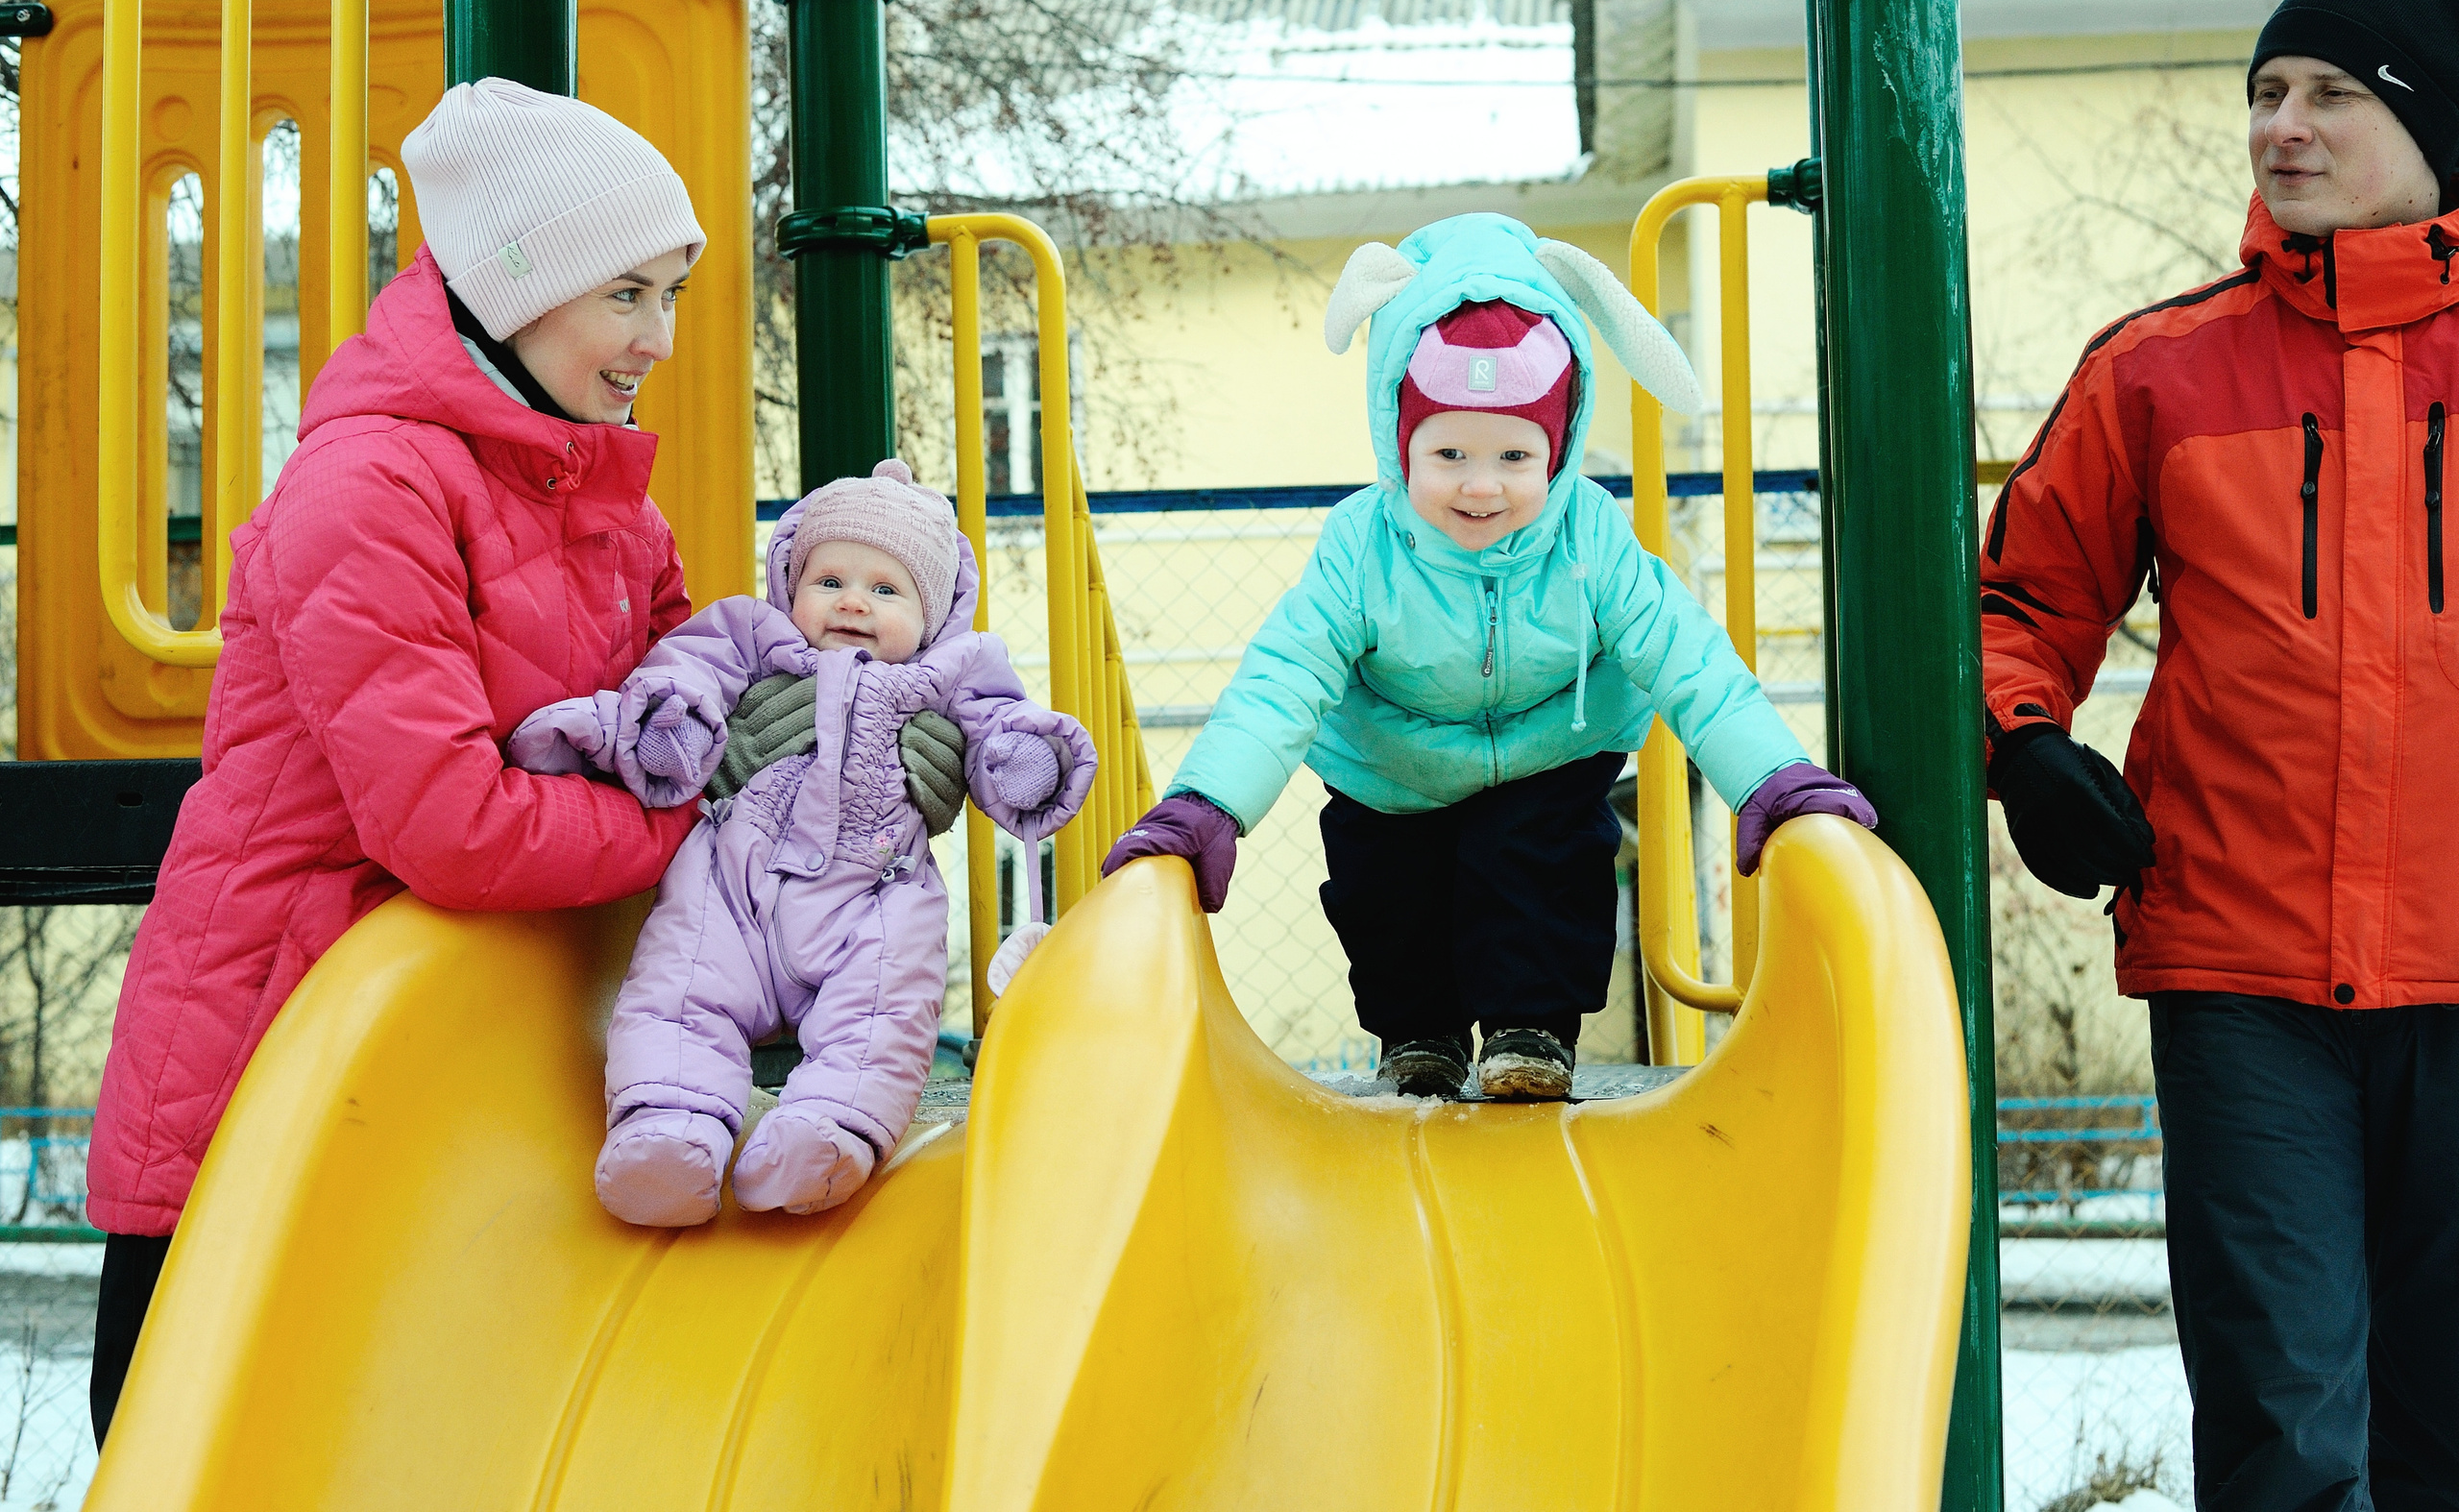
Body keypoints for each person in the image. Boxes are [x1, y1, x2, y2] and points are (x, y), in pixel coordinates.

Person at [78, 81, 972, 1446]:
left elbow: (705, 710)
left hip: (475, 1038)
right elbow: (446, 818)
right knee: (201, 1426)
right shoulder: (367, 490)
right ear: (517, 289)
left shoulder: (594, 492)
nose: (657, 339)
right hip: (282, 1027)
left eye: (669, 294)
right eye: (628, 294)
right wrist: (700, 833)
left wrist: (854, 744)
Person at [1981, 0, 2459, 1511]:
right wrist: (2025, 742)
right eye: (2266, 92)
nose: (2283, 126)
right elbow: (2018, 598)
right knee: (2288, 1424)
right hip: (2245, 980)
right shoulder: (2159, 372)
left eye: (2330, 93)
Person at [1101, 213, 1873, 1102]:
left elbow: (1687, 656)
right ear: (1400, 443)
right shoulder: (1362, 546)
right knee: (1382, 892)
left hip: (1546, 753)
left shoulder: (1590, 535)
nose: (1481, 483)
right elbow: (1286, 675)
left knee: (1543, 859)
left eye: (1515, 454)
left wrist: (1770, 776)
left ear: (1560, 448)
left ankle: (1531, 1030)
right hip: (1393, 766)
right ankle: (1417, 1037)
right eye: (1449, 452)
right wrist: (1209, 803)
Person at [508, 461, 1093, 1224]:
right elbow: (686, 669)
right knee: (677, 992)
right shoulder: (751, 632)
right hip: (734, 883)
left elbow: (998, 723)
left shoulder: (958, 667)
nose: (853, 600)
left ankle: (825, 1138)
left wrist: (1021, 761)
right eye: (830, 580)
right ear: (793, 584)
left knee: (884, 1010)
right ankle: (667, 1133)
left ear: (935, 613)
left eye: (887, 590)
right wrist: (672, 724)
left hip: (873, 896)